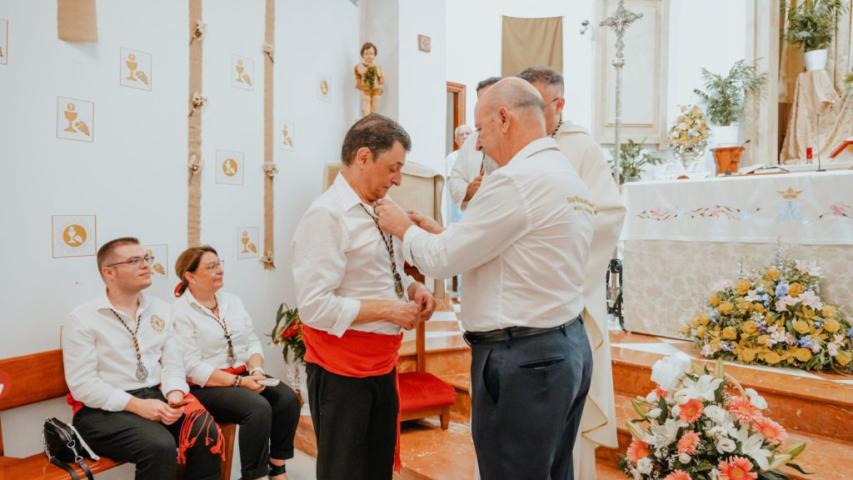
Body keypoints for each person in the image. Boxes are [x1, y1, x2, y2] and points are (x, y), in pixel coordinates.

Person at [375, 78, 595, 480]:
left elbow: (442, 262)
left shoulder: (516, 180)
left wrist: (403, 229)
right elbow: (517, 252)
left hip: (525, 359)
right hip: (565, 346)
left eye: (480, 129)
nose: (477, 142)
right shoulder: (562, 172)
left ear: (504, 119)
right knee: (552, 471)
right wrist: (445, 235)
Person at [291, 113, 437, 480]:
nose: (398, 179)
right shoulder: (326, 216)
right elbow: (314, 307)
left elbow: (386, 272)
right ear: (363, 157)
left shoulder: (382, 208)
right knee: (344, 472)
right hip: (342, 372)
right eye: (394, 168)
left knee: (376, 469)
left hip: (381, 365)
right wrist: (389, 310)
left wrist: (414, 288)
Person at [518, 65, 626, 480]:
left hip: (568, 292)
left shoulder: (581, 148)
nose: (524, 114)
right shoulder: (515, 141)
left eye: (534, 104)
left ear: (558, 104)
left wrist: (554, 259)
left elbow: (608, 213)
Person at [63, 237, 222, 480]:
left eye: (146, 258)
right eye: (134, 261)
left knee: (205, 431)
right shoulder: (82, 319)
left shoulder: (161, 309)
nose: (146, 265)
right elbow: (83, 385)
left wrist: (175, 396)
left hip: (156, 397)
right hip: (102, 412)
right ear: (109, 272)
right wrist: (137, 405)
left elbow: (173, 363)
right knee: (159, 445)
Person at [172, 245, 301, 480]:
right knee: (257, 407)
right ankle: (254, 475)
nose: (219, 270)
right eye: (211, 267)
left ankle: (277, 467)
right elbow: (192, 367)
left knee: (287, 399)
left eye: (219, 264)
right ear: (190, 276)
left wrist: (257, 370)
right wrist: (240, 382)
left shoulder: (232, 301)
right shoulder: (179, 312)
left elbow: (251, 340)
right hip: (206, 385)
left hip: (244, 374)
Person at [447, 76, 501, 210]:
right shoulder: (472, 141)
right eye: (480, 101)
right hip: (475, 213)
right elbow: (455, 178)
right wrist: (468, 190)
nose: (482, 107)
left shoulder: (516, 136)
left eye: (488, 100)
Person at [354, 42, 384, 117]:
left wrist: (380, 74)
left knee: (374, 108)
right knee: (366, 107)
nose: (369, 56)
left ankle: (372, 120)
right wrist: (369, 67)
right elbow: (362, 71)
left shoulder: (377, 66)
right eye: (366, 54)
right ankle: (366, 119)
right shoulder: (360, 65)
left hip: (376, 89)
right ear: (362, 55)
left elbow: (381, 81)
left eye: (371, 53)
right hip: (366, 89)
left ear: (374, 55)